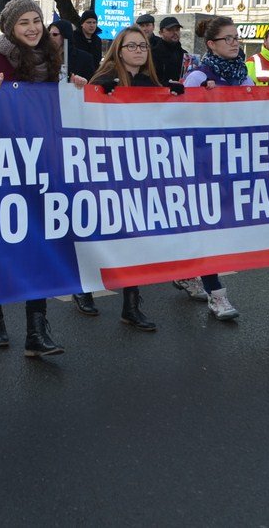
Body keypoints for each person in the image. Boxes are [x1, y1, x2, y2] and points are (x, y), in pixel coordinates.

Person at [0, 0, 87, 356]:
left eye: (36, 20)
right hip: (1, 165)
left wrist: (76, 90)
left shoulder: (52, 57)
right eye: (23, 22)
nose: (32, 28)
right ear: (10, 27)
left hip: (41, 164)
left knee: (40, 243)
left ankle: (36, 331)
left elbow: (55, 108)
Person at [71, 26, 164, 331]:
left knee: (133, 239)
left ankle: (131, 306)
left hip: (138, 171)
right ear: (119, 51)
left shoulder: (151, 83)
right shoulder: (104, 79)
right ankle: (84, 287)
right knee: (100, 233)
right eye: (131, 46)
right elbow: (83, 118)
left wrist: (175, 97)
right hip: (106, 171)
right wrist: (100, 96)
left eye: (143, 46)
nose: (138, 51)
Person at [172, 16, 247, 320]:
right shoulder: (198, 77)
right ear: (212, 44)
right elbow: (180, 119)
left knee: (215, 227)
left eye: (236, 37)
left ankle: (186, 271)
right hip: (202, 165)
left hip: (233, 162)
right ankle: (217, 294)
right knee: (209, 227)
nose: (234, 43)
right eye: (228, 38)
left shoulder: (243, 76)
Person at [151, 16, 189, 86]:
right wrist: (167, 85)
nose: (175, 32)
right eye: (170, 30)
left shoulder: (185, 54)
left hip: (181, 91)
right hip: (160, 91)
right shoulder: (153, 54)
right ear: (161, 33)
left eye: (177, 29)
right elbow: (150, 80)